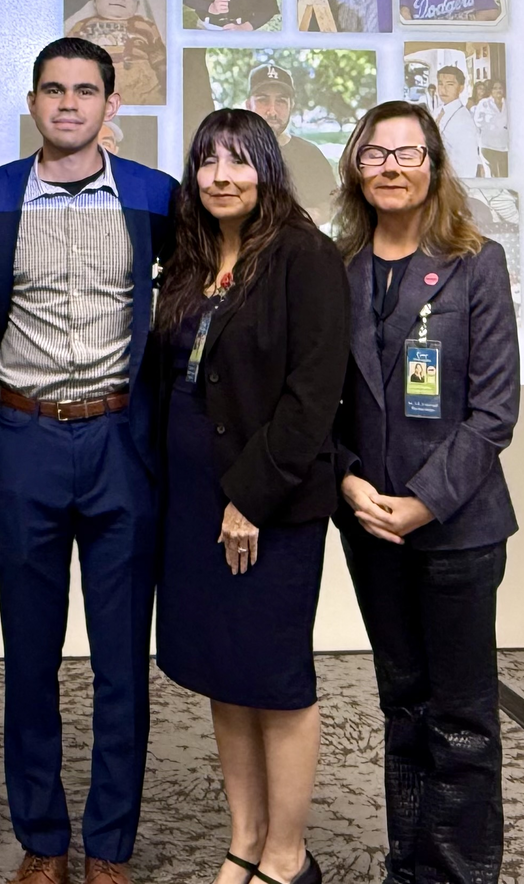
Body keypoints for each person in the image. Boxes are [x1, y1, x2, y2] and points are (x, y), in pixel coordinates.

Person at [0, 37, 178, 884]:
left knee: (122, 661)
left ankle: (110, 846)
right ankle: (43, 841)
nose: (69, 105)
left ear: (111, 105)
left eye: (86, 91)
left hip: (121, 440)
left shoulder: (158, 198)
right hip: (24, 440)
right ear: (33, 100)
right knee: (30, 655)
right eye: (54, 90)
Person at [154, 109, 347, 884]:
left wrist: (252, 499)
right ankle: (245, 839)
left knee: (273, 676)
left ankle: (289, 855)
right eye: (207, 162)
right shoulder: (193, 258)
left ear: (268, 169)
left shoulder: (306, 257)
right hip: (192, 500)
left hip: (269, 504)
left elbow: (313, 395)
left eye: (239, 161)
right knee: (222, 674)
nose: (221, 177)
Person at [332, 100, 519, 884]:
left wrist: (423, 500)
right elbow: (321, 400)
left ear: (435, 165)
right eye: (375, 155)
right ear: (354, 168)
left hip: (458, 530)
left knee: (463, 719)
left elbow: (493, 411)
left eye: (408, 154)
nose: (392, 168)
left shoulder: (476, 262)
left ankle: (462, 872)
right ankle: (410, 866)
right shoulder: (336, 270)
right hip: (368, 525)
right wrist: (345, 478)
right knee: (402, 707)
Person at [244, 63, 338, 225]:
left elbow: (332, 201)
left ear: (291, 106)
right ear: (248, 105)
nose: (272, 111)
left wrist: (313, 215)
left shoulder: (309, 154)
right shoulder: (233, 152)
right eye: (262, 100)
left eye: (280, 101)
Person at [64, 0, 167, 104]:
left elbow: (160, 61)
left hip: (144, 92)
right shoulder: (83, 26)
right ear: (95, 0)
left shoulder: (146, 25)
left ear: (137, 5)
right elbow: (66, 60)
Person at [432, 66, 484, 178]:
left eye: (450, 84)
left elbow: (467, 165)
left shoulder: (464, 120)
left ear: (461, 88)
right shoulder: (437, 112)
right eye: (440, 84)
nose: (443, 89)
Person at [474, 79, 509, 177]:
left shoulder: (508, 104)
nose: (498, 91)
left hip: (503, 146)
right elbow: (477, 121)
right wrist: (490, 126)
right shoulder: (484, 103)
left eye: (500, 88)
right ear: (491, 91)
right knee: (491, 176)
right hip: (488, 145)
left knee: (503, 175)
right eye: (495, 88)